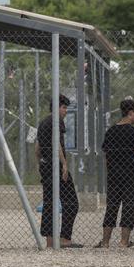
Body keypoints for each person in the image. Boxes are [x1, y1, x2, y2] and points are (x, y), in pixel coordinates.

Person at [96, 97, 134, 248]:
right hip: (131, 175)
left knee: (112, 206)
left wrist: (111, 172)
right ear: (130, 113)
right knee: (130, 206)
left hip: (114, 175)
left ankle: (105, 242)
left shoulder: (111, 131)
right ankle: (124, 241)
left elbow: (107, 156)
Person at [35, 94, 81, 248]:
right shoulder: (56, 121)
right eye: (63, 107)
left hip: (46, 165)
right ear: (56, 108)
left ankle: (49, 241)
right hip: (56, 166)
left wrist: (40, 163)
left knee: (49, 203)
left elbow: (37, 147)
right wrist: (64, 164)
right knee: (71, 202)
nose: (65, 111)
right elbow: (57, 144)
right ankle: (64, 238)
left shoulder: (43, 122)